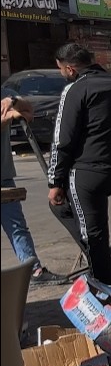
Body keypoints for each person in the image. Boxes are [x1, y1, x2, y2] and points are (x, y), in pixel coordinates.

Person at [47, 43, 111, 283]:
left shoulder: (75, 89)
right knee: (95, 228)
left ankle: (101, 284)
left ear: (70, 69)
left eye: (60, 70)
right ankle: (104, 269)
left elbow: (63, 139)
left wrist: (55, 181)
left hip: (85, 173)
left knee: (87, 228)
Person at [1, 90, 61, 284]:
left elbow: (29, 109)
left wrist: (13, 101)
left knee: (17, 226)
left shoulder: (4, 95)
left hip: (4, 176)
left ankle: (34, 270)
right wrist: (10, 115)